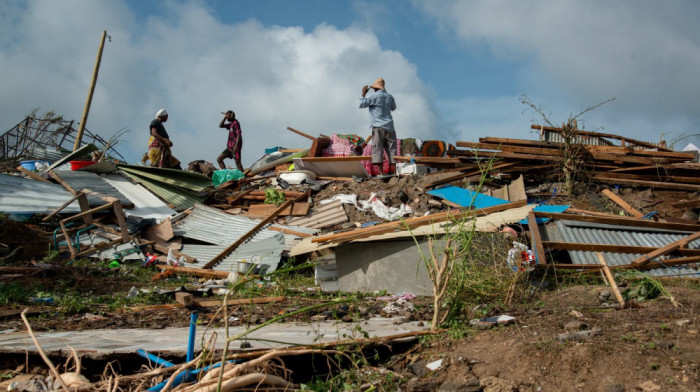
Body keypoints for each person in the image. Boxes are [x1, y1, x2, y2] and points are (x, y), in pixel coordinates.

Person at [359, 77, 397, 175]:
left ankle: (380, 173)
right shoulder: (390, 97)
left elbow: (361, 104)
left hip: (378, 126)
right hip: (390, 126)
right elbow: (393, 108)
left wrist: (363, 94)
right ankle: (396, 171)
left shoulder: (374, 96)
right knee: (392, 149)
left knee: (377, 148)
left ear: (376, 88)